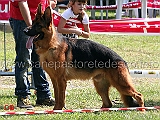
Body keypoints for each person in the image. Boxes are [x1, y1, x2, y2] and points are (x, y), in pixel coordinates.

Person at [9, 0, 57, 109]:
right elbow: (22, 2)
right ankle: (23, 95)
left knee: (39, 59)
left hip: (39, 21)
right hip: (22, 19)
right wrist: (32, 28)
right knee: (24, 60)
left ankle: (43, 95)